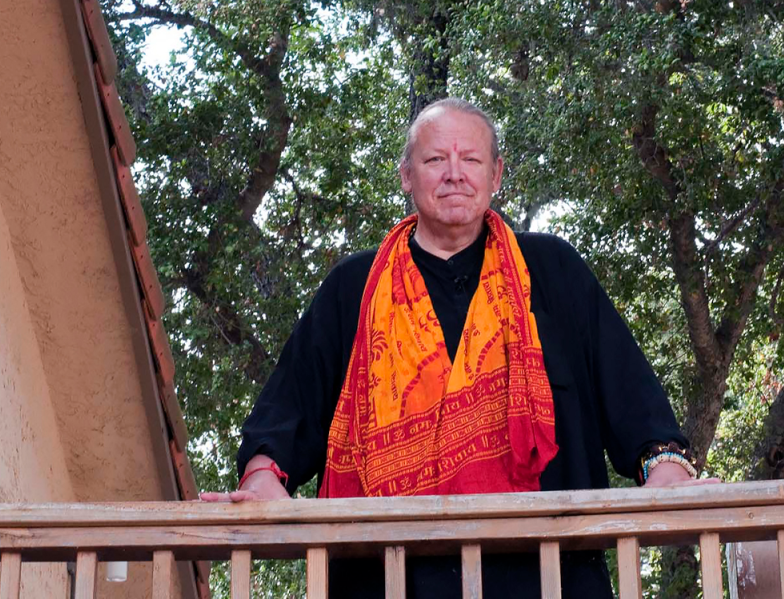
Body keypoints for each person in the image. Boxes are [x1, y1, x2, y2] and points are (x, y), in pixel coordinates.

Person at [202, 98, 717, 597]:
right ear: (407, 176)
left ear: (495, 175)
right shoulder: (354, 288)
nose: (454, 174)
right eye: (434, 160)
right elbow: (286, 412)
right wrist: (263, 477)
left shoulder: (553, 271)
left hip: (547, 579)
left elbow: (633, 399)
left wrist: (665, 469)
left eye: (470, 159)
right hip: (386, 580)